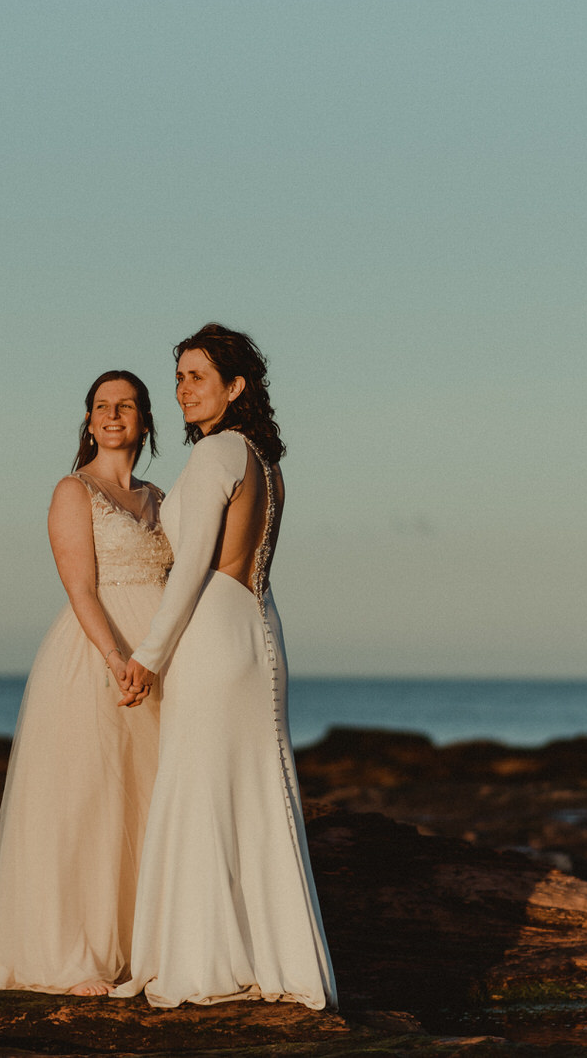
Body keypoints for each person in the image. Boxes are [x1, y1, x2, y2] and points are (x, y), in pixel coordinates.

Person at [112, 325, 338, 1010]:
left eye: (197, 377)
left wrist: (147, 657)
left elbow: (192, 570)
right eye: (178, 377)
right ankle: (277, 959)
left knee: (201, 789)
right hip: (258, 626)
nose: (183, 390)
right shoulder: (265, 463)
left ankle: (201, 964)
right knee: (259, 794)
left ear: (235, 387)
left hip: (212, 631)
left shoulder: (216, 453)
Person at [0, 371, 173, 998]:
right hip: (96, 657)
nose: (112, 416)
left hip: (156, 662)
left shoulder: (162, 498)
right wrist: (116, 659)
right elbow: (79, 587)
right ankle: (74, 955)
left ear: (145, 421)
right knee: (88, 802)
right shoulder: (73, 491)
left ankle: (141, 946)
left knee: (145, 801)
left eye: (125, 406)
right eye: (102, 407)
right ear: (88, 421)